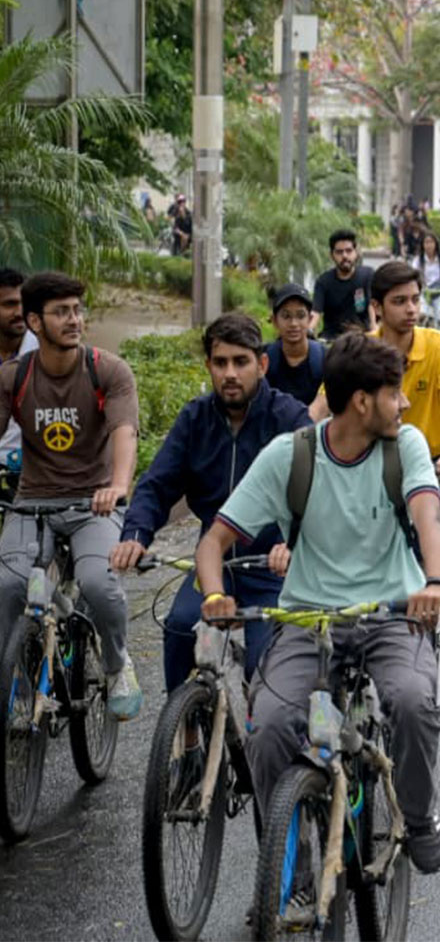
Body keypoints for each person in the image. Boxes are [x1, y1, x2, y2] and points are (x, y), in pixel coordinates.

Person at [196, 332, 440, 873]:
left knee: (411, 702)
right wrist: (215, 594)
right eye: (395, 393)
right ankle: (288, 855)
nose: (404, 404)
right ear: (363, 401)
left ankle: (419, 815)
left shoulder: (402, 446)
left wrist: (434, 582)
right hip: (307, 619)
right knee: (267, 726)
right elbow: (214, 540)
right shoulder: (293, 455)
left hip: (391, 615)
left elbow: (427, 514)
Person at [111, 314, 310, 691]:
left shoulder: (290, 418)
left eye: (241, 361)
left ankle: (263, 739)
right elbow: (157, 485)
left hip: (273, 566)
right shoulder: (195, 418)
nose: (230, 373)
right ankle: (184, 738)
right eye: (220, 363)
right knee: (181, 627)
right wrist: (135, 534)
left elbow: (320, 490)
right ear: (209, 366)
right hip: (213, 559)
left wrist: (297, 542)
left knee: (264, 668)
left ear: (262, 364)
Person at [0, 272, 143, 718]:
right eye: (61, 312)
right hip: (32, 501)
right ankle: (16, 686)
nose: (74, 319)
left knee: (100, 584)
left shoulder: (107, 370)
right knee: (8, 584)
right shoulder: (13, 376)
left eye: (78, 310)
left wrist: (117, 486)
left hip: (92, 504)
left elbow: (125, 433)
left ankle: (119, 665)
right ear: (34, 322)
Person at [311, 262, 440, 492]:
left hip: (428, 463)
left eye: (415, 299)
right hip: (370, 459)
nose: (411, 309)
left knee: (423, 522)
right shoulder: (360, 349)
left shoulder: (439, 345)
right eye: (399, 301)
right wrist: (295, 452)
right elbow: (321, 406)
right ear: (376, 307)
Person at [0, 268, 38, 494]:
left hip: (28, 466)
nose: (19, 312)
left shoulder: (46, 351)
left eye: (24, 304)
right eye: (9, 304)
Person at [263, 284, 324, 407]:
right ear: (274, 321)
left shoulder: (326, 359)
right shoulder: (264, 360)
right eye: (286, 316)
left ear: (310, 319)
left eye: (301, 316)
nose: (293, 324)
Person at [312, 228, 374, 340]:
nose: (344, 256)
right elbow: (316, 312)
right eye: (339, 252)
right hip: (331, 339)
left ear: (356, 252)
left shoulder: (367, 276)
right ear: (332, 255)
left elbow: (372, 305)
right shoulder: (323, 282)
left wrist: (374, 332)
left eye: (349, 251)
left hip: (361, 338)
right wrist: (309, 331)